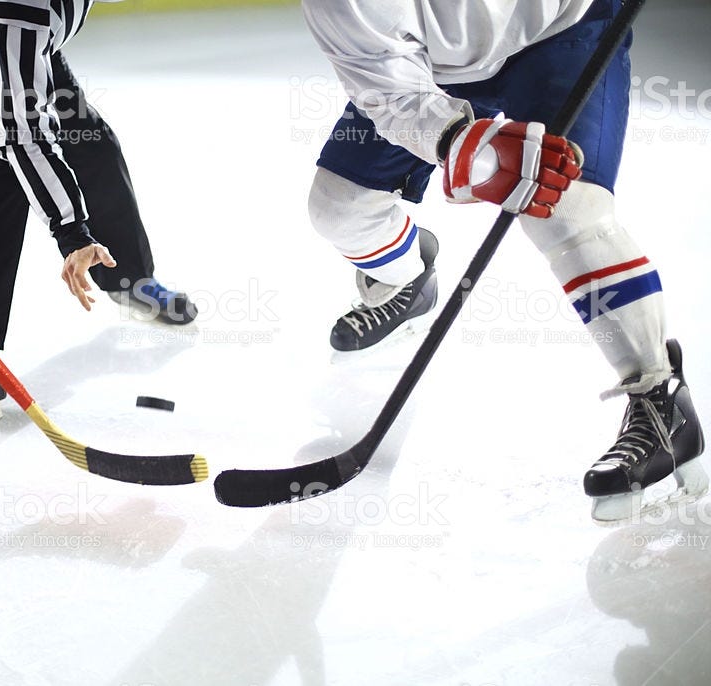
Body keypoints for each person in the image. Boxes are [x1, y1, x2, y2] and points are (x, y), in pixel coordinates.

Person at [302, 0, 706, 523]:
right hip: (435, 72)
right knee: (338, 209)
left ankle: (660, 401)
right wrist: (457, 141)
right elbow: (389, 88)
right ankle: (407, 279)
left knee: (563, 208)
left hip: (563, 30)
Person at [0, 0, 197, 423]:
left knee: (87, 138)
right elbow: (20, 132)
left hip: (2, 37)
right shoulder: (19, 6)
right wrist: (73, 233)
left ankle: (125, 274)